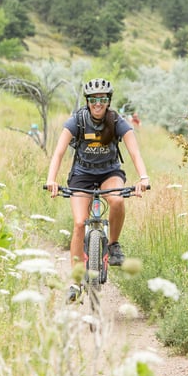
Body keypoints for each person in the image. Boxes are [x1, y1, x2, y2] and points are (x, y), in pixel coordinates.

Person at [45, 78, 150, 304]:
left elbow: (135, 153)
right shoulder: (77, 121)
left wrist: (143, 178)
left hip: (109, 173)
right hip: (82, 175)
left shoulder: (117, 121)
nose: (98, 104)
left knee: (117, 201)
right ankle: (75, 281)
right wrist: (51, 179)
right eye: (94, 100)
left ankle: (112, 245)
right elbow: (59, 153)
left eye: (102, 99)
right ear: (88, 101)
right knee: (80, 223)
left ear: (108, 101)